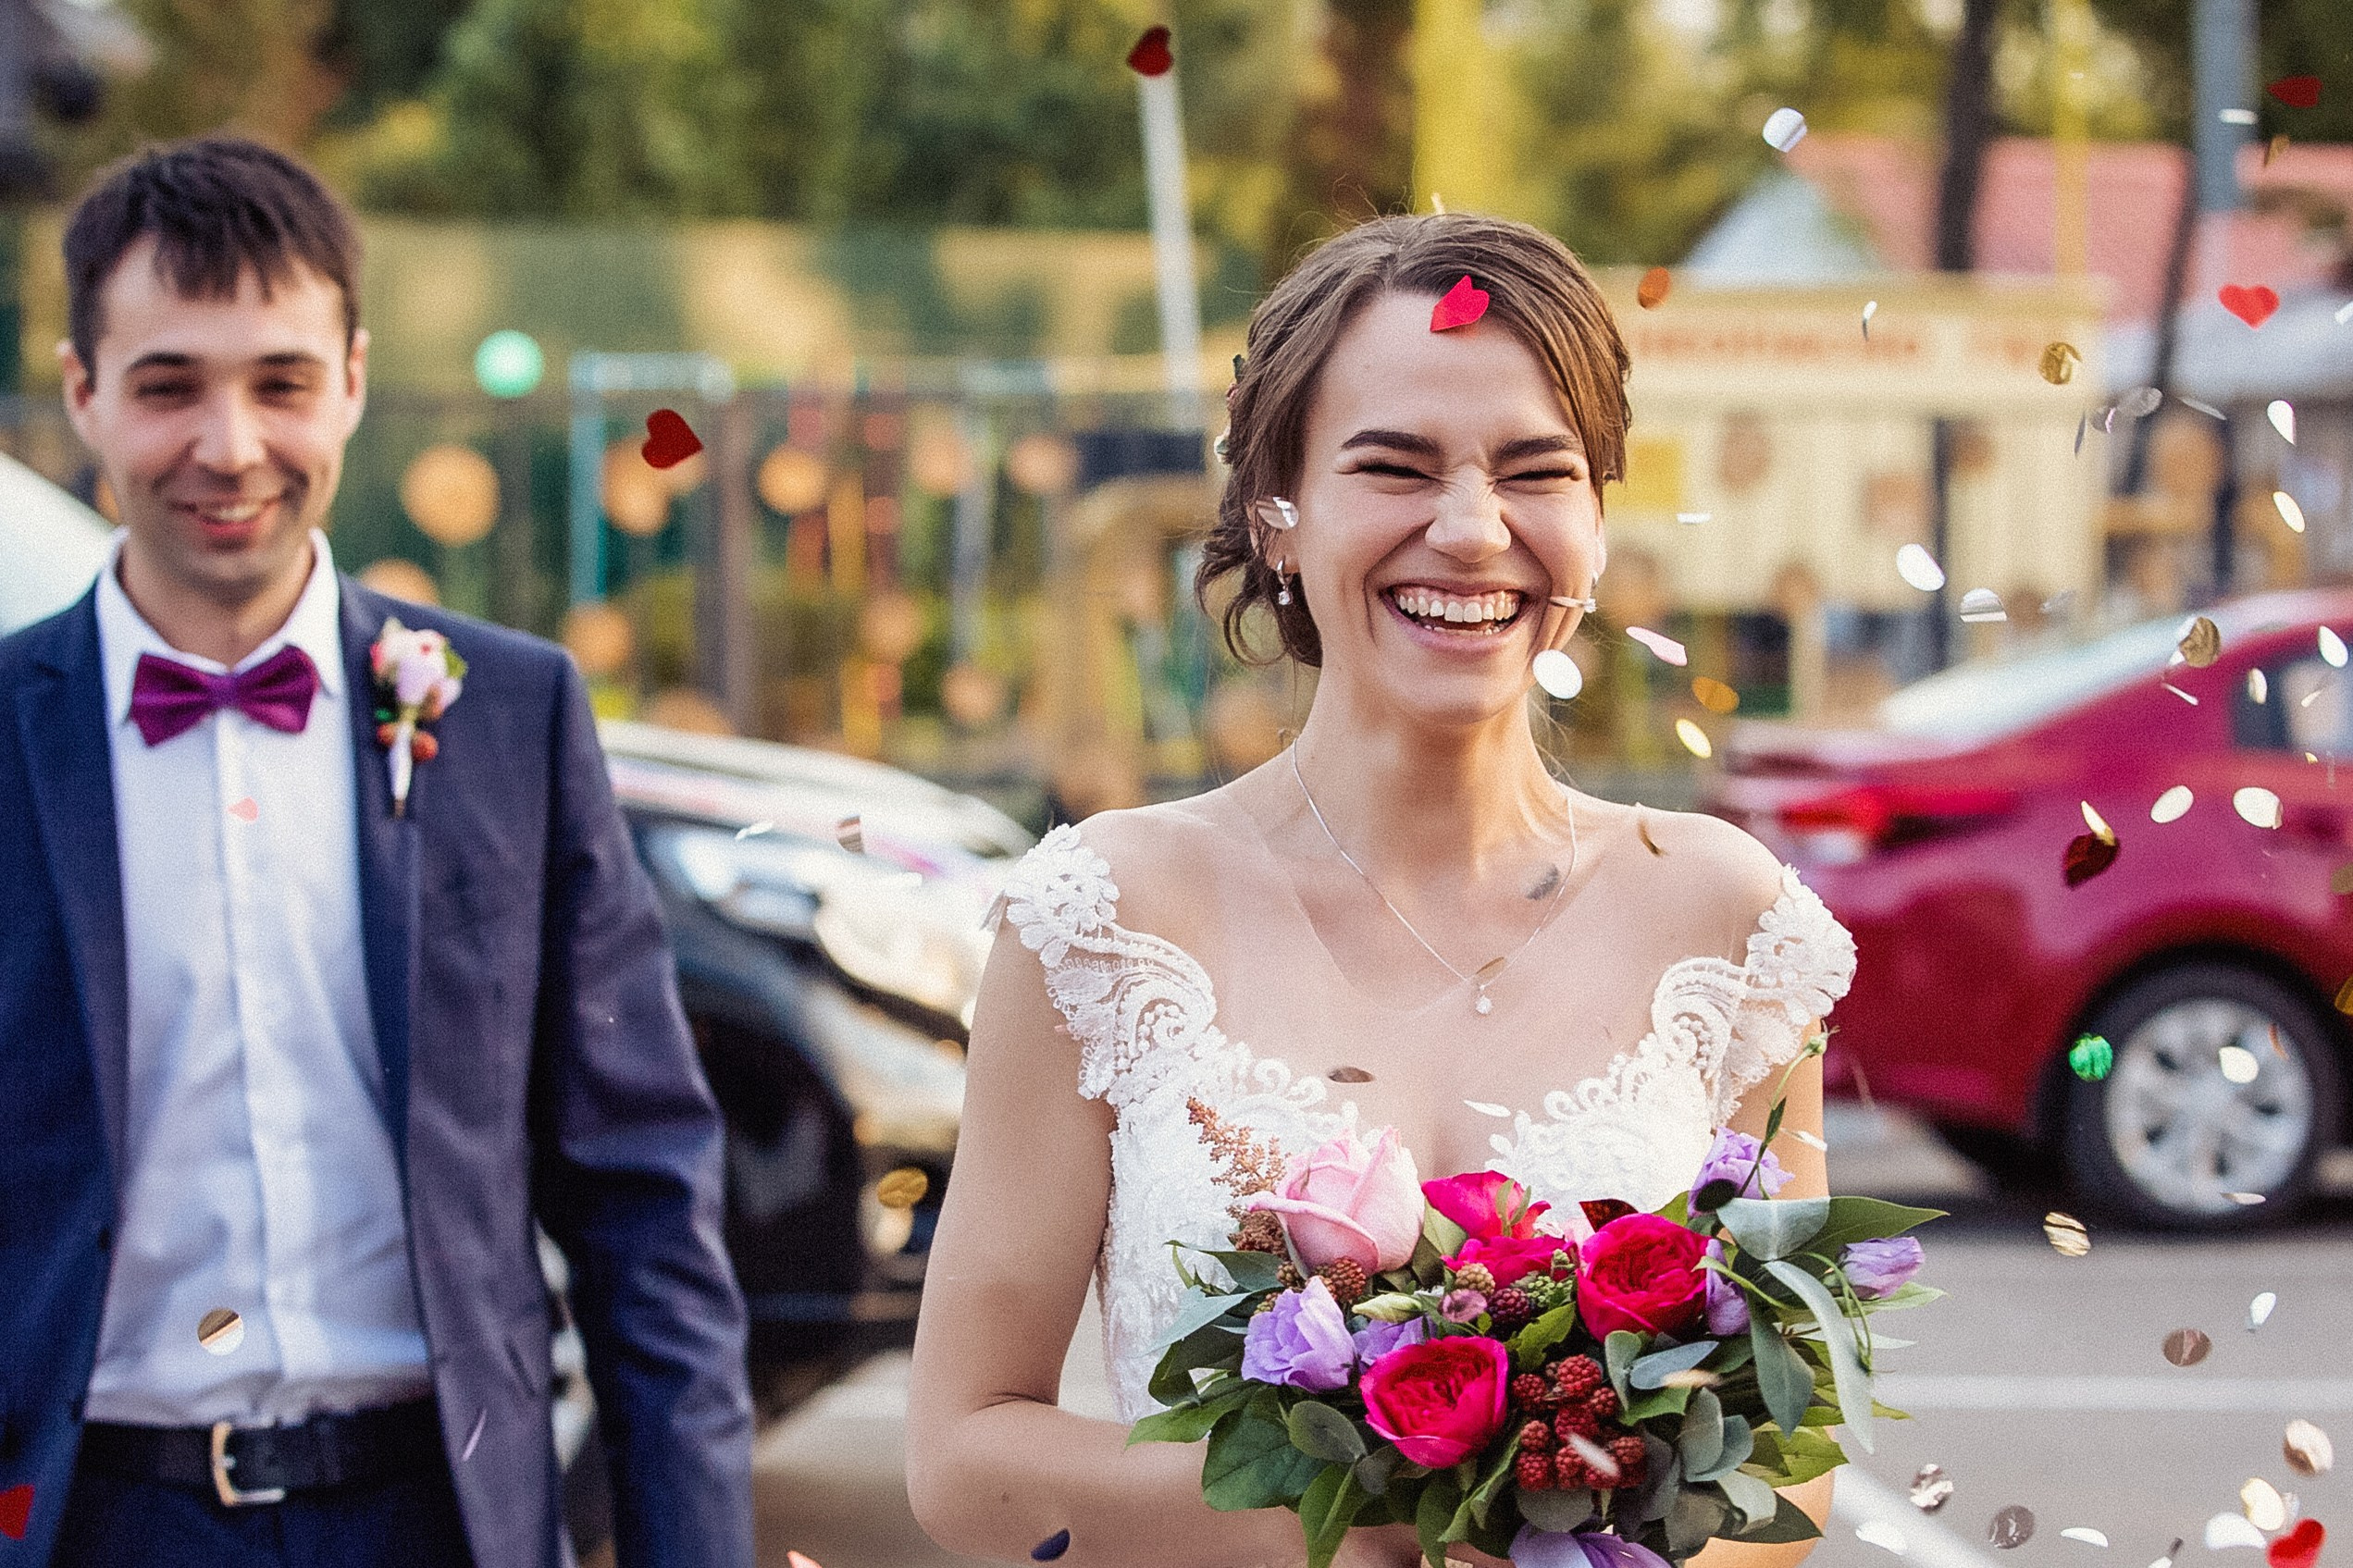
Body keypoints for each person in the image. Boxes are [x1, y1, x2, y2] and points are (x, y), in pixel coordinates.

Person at [905, 213, 1854, 1568]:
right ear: (1277, 520)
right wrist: (1354, 1523)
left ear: (1594, 522)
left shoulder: (1726, 920)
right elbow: (965, 1454)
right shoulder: (1107, 918)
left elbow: (1792, 1470)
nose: (1472, 532)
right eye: (1393, 467)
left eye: (1537, 472)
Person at [0, 136, 754, 1567]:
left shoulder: (511, 717)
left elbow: (643, 1200)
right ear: (82, 391)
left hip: (438, 1516)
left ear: (351, 377)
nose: (230, 446)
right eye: (169, 384)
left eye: (279, 382)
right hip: (85, 1519)